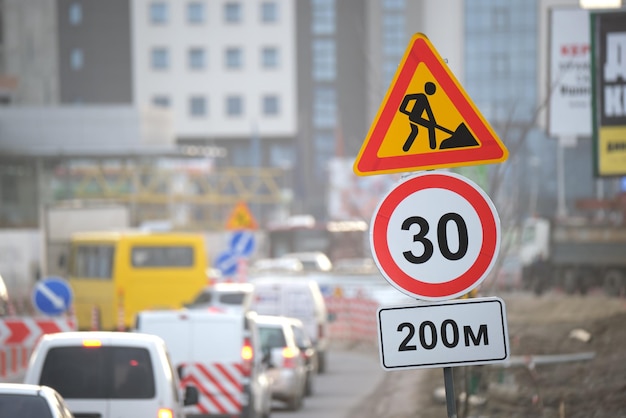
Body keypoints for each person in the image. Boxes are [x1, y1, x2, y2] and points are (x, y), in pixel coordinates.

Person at [399, 81, 438, 151]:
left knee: (415, 131)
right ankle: (433, 147)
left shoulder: (424, 98)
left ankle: (405, 148)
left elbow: (428, 111)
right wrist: (403, 109)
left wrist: (433, 121)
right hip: (414, 117)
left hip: (415, 118)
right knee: (429, 127)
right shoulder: (421, 96)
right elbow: (407, 97)